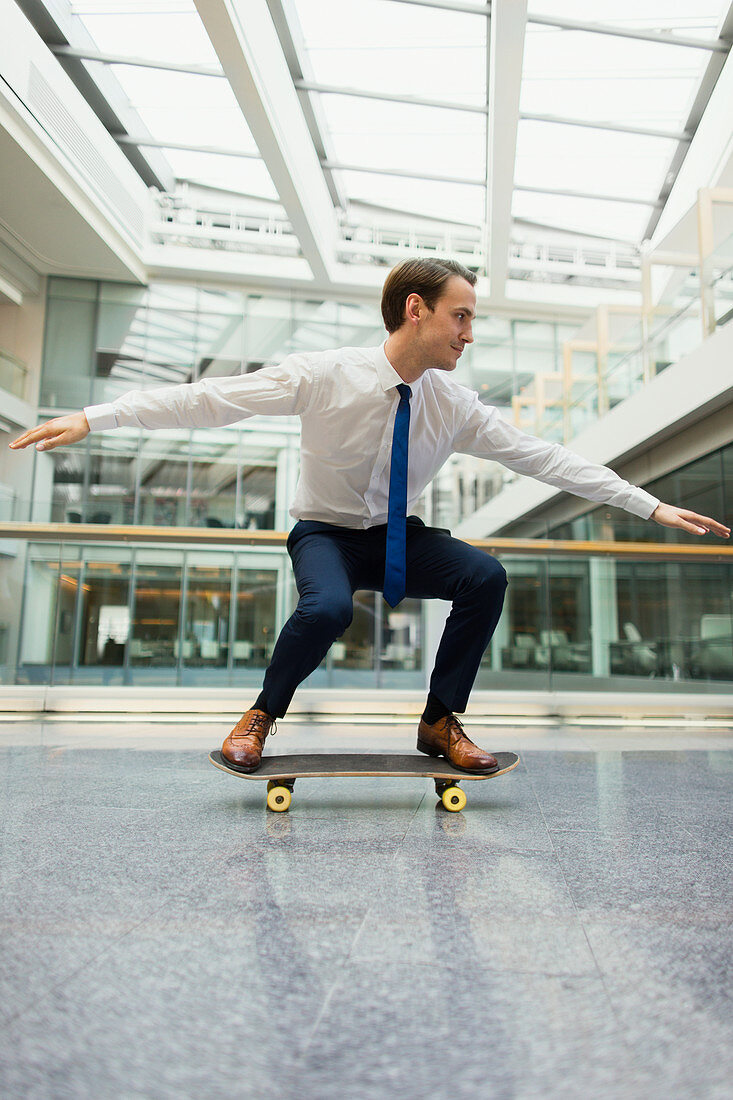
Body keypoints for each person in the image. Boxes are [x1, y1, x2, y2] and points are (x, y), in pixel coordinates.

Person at [10, 259, 730, 774]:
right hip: (324, 531)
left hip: (399, 538)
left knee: (484, 576)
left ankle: (438, 719)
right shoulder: (322, 374)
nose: (468, 334)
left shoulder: (452, 403)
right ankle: (260, 715)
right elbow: (209, 401)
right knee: (326, 610)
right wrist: (95, 416)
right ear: (415, 309)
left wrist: (648, 503)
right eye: (461, 316)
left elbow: (544, 458)